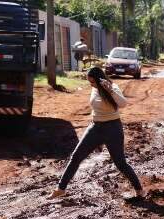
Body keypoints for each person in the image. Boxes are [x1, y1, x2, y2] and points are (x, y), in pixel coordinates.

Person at [47, 67, 145, 199]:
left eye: (92, 82)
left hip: (112, 128)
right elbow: (96, 109)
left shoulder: (112, 87)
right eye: (89, 82)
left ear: (99, 80)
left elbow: (123, 104)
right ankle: (60, 189)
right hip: (95, 127)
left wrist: (110, 91)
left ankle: (139, 190)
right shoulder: (94, 89)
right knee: (76, 157)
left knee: (120, 163)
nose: (91, 85)